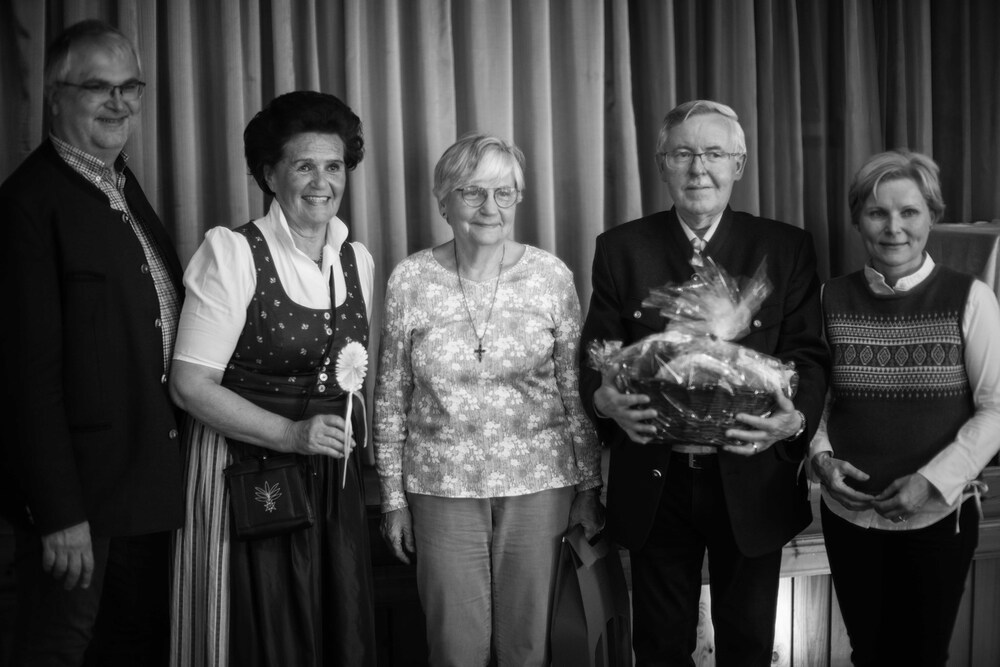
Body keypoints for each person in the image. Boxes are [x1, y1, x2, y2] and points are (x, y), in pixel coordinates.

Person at [579, 100, 829, 666]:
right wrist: (602, 399)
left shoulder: (784, 247)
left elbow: (808, 357)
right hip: (656, 481)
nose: (699, 169)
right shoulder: (621, 248)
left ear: (738, 165)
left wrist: (796, 421)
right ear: (661, 165)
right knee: (660, 648)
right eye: (683, 154)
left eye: (714, 154)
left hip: (754, 478)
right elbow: (597, 355)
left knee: (749, 647)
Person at [373, 133, 603, 667]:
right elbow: (390, 397)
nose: (489, 207)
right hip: (440, 487)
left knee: (528, 648)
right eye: (472, 192)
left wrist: (590, 488)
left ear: (518, 198)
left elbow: (574, 391)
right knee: (454, 649)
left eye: (504, 192)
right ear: (444, 201)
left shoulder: (550, 276)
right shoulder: (410, 278)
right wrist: (392, 498)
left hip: (540, 484)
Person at [168, 91, 376, 667]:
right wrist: (290, 434)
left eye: (334, 166)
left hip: (331, 480)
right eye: (304, 165)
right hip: (246, 474)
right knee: (262, 636)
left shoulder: (356, 258)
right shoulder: (233, 253)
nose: (322, 182)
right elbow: (189, 385)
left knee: (335, 628)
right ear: (269, 174)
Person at [0, 19, 184, 666]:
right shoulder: (26, 206)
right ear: (55, 95)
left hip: (144, 487)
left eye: (130, 86)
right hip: (80, 503)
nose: (119, 102)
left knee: (132, 650)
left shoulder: (120, 183)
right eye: (98, 87)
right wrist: (58, 513)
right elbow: (24, 379)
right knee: (58, 650)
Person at [808, 150, 1000, 666]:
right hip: (849, 517)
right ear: (857, 220)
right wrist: (821, 459)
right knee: (868, 654)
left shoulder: (972, 299)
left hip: (940, 518)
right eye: (877, 212)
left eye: (909, 212)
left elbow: (996, 409)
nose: (894, 228)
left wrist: (931, 482)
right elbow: (816, 401)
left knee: (922, 656)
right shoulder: (828, 299)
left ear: (932, 216)